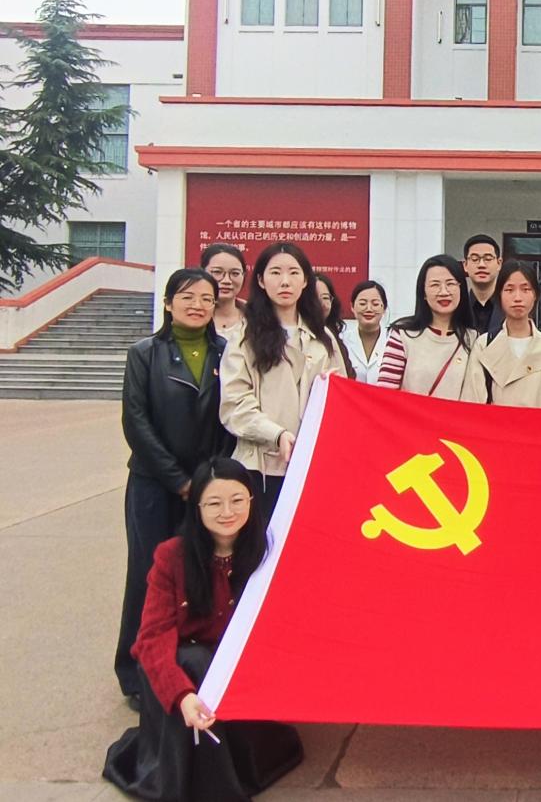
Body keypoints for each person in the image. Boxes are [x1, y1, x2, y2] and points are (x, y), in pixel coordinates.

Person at [104, 458, 303, 801]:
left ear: (251, 501)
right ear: (196, 508)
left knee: (209, 663)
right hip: (179, 669)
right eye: (213, 503)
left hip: (235, 670)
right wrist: (181, 695)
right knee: (195, 661)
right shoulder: (171, 557)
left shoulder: (267, 552)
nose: (227, 512)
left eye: (237, 500)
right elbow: (152, 638)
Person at [116, 268, 230, 709]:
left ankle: (190, 670)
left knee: (201, 574)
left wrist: (206, 481)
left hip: (206, 488)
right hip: (153, 485)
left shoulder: (226, 353)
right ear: (168, 303)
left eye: (206, 298)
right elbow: (136, 422)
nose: (197, 305)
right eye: (187, 296)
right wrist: (179, 481)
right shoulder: (145, 353)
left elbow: (229, 418)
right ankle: (137, 673)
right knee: (148, 575)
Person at [219, 242, 347, 523]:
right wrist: (276, 434)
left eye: (294, 272)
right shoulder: (244, 336)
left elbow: (342, 399)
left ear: (305, 281)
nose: (285, 281)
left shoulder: (323, 337)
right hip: (261, 468)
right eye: (275, 273)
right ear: (261, 281)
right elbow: (234, 404)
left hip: (311, 466)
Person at [462, 261, 541, 408]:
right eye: (509, 289)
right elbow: (472, 406)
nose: (517, 298)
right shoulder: (484, 344)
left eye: (525, 289)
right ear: (499, 295)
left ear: (535, 295)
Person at [377, 255, 478, 399]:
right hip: (410, 414)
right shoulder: (403, 335)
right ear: (423, 292)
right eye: (435, 285)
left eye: (450, 284)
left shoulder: (473, 339)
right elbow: (384, 395)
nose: (444, 292)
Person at [199, 243, 247, 339]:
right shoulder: (190, 316)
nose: (226, 281)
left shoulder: (257, 319)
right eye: (217, 272)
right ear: (202, 272)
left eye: (235, 273)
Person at [346, 280, 389, 384]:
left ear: (384, 308)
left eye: (375, 304)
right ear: (352, 306)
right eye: (362, 303)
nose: (369, 309)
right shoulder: (342, 340)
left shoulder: (394, 341)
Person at [314, 273, 354, 381]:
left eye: (325, 298)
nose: (321, 304)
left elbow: (348, 379)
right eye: (314, 297)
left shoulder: (334, 339)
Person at [463, 234, 504, 335]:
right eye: (475, 259)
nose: (481, 265)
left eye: (488, 259)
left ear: (499, 263)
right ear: (465, 265)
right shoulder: (457, 308)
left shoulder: (509, 307)